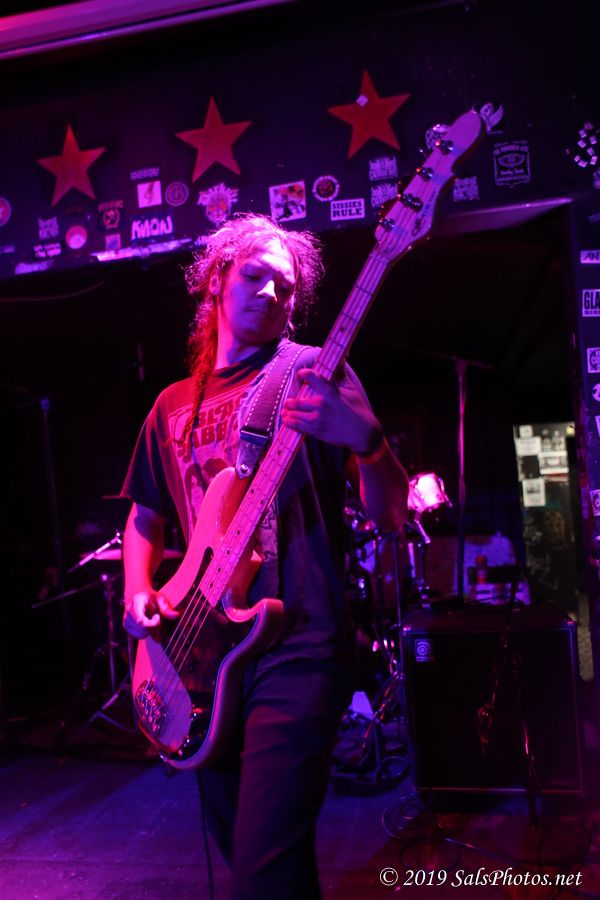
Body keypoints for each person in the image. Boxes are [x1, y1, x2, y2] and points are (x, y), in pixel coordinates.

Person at [121, 213, 409, 899]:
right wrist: (138, 591)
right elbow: (143, 516)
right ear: (216, 280)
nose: (273, 293)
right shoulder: (169, 407)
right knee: (253, 860)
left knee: (263, 867)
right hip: (200, 650)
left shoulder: (312, 373)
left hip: (299, 643)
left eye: (286, 286)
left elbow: (392, 514)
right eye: (256, 276)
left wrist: (368, 443)